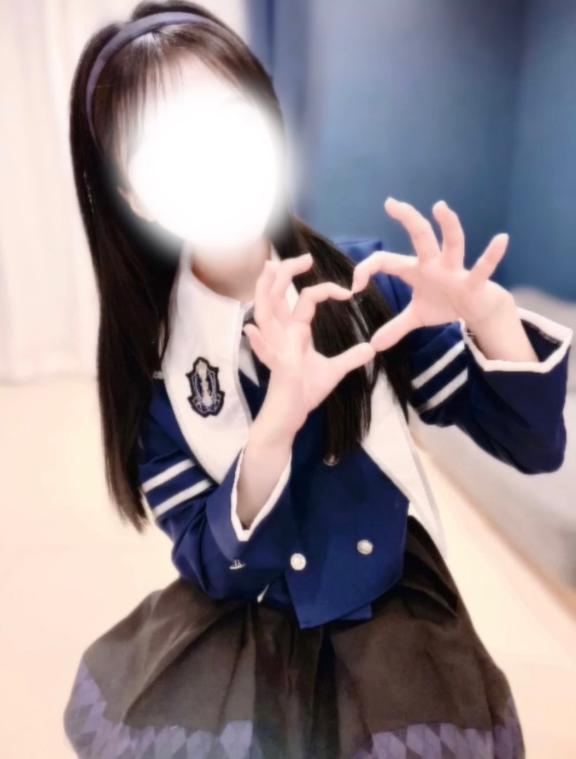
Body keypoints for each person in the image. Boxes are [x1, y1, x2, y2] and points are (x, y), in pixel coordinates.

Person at [62, 2, 573, 757]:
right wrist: (275, 428)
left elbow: (534, 446)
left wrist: (490, 314)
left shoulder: (365, 287)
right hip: (250, 628)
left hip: (396, 615)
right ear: (134, 196)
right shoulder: (155, 368)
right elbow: (212, 564)